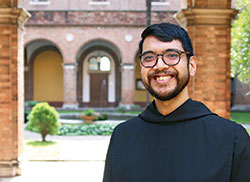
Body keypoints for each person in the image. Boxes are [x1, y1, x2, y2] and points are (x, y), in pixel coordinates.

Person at [102, 23, 250, 182]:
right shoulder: (123, 136)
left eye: (172, 55)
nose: (159, 65)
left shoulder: (232, 139)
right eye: (149, 57)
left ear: (192, 65)